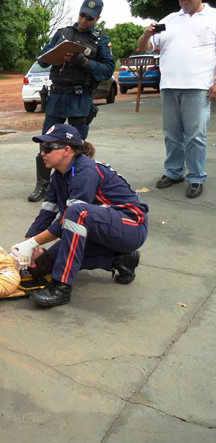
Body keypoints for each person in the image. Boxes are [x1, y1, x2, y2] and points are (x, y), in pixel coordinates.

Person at [12, 124, 148, 308]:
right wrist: (27, 248)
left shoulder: (85, 171)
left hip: (131, 226)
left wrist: (33, 243)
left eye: (47, 148)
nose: (42, 153)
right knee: (47, 263)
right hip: (102, 227)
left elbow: (71, 217)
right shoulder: (58, 176)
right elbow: (47, 213)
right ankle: (120, 259)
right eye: (41, 148)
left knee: (77, 213)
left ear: (66, 150)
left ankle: (61, 287)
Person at [27, 0, 115, 202]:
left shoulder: (100, 40)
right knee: (46, 142)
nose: (83, 20)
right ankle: (43, 185)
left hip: (80, 97)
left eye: (89, 17)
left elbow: (107, 70)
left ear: (97, 19)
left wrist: (83, 61)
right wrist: (57, 53)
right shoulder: (63, 34)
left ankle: (76, 186)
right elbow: (42, 59)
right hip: (57, 96)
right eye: (82, 15)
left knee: (77, 145)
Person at [137, 0, 216, 199]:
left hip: (198, 86)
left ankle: (196, 177)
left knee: (195, 135)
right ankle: (174, 172)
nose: (184, 2)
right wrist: (147, 34)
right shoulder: (170, 20)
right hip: (169, 86)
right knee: (171, 134)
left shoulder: (213, 17)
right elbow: (143, 48)